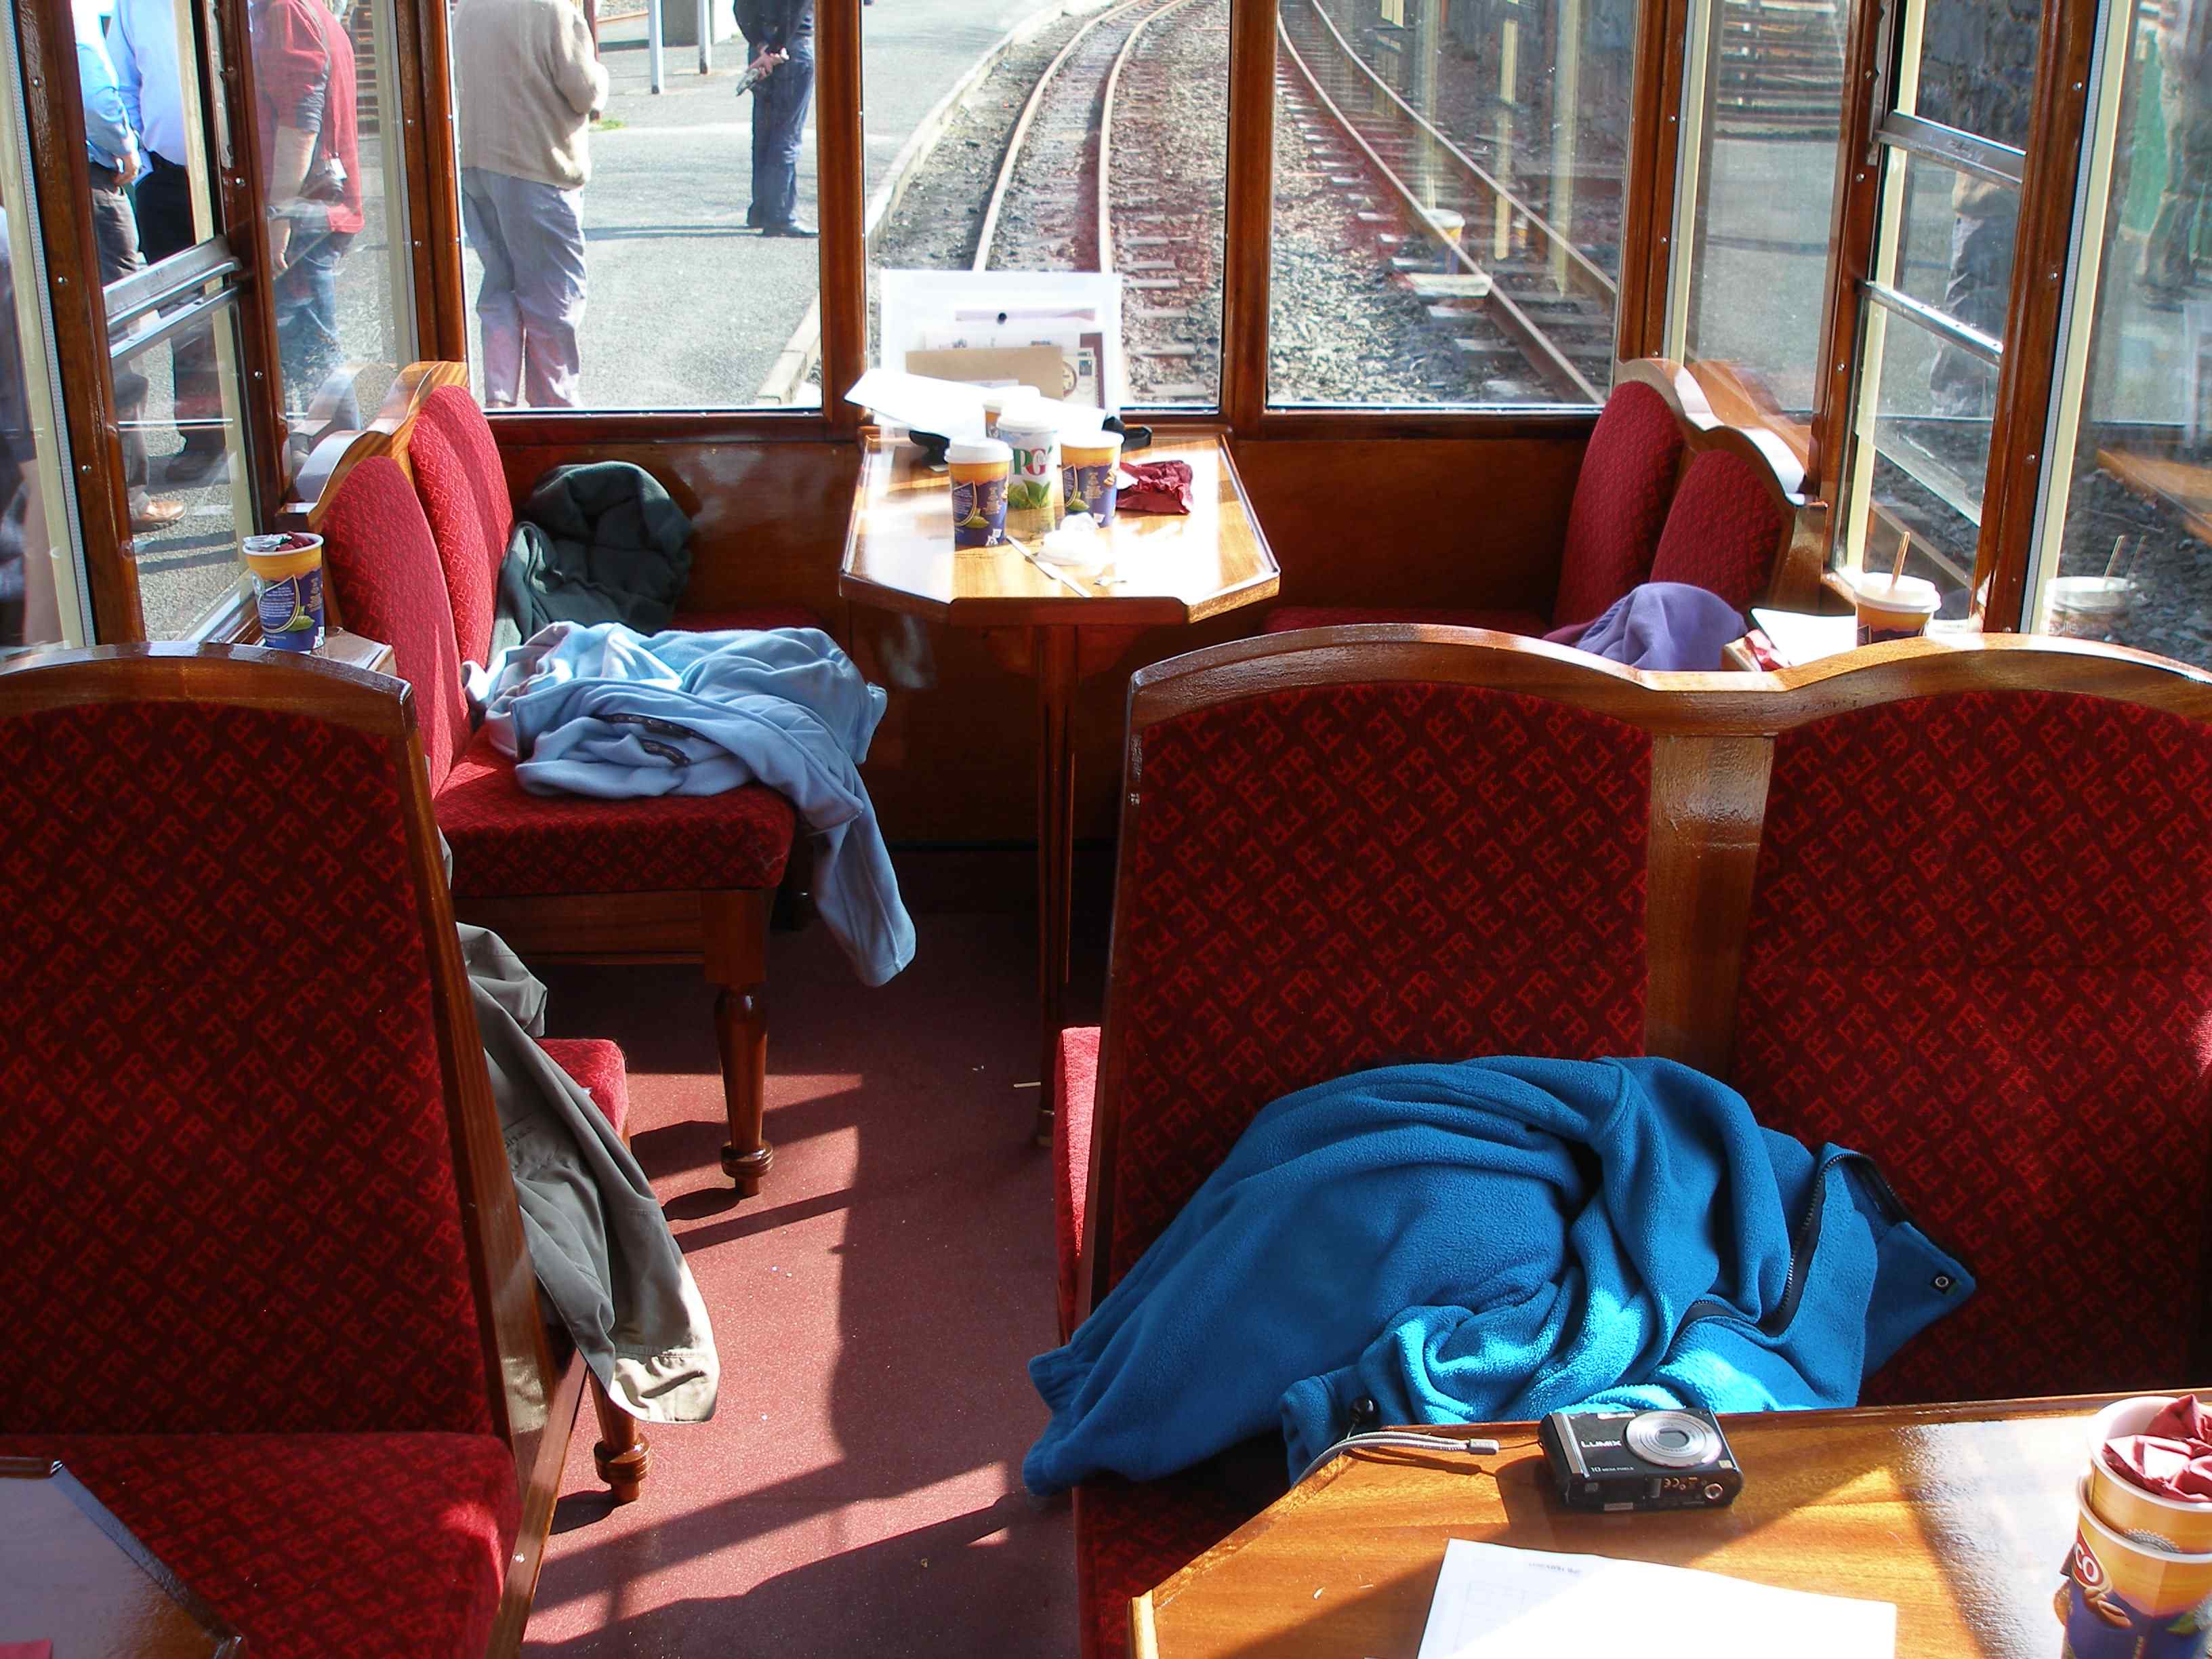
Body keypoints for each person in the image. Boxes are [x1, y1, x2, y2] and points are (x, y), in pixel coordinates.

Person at [451, 0, 606, 408]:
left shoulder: (467, 9)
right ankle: (555, 415)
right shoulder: (553, 10)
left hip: (479, 165)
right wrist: (602, 77)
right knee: (553, 301)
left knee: (500, 290)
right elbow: (585, 92)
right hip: (538, 166)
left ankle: (499, 407)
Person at [108, 0, 225, 481]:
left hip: (232, 174)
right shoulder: (134, 4)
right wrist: (151, 158)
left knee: (266, 304)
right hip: (169, 179)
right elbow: (123, 82)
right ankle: (204, 436)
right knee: (186, 318)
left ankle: (273, 428)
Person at [77, 0, 180, 532]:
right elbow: (100, 95)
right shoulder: (70, 16)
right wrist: (127, 151)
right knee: (122, 335)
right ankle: (131, 494)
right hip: (90, 181)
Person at [251, 0, 364, 409]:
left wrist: (279, 218)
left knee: (318, 362)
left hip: (303, 218)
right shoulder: (304, 8)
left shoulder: (286, 11)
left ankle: (347, 470)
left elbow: (300, 120)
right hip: (312, 213)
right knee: (309, 357)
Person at [2144, 0, 2212, 307]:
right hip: (2190, 83)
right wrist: (2191, 82)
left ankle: (2174, 265)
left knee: (2188, 182)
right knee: (2181, 184)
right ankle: (2158, 273)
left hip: (2185, 78)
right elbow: (2185, 41)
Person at [734, 0, 815, 237]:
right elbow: (797, 8)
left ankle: (760, 209)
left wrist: (761, 47)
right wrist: (776, 48)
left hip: (760, 54)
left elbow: (741, 8)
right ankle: (781, 215)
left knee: (764, 133)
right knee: (787, 135)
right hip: (793, 47)